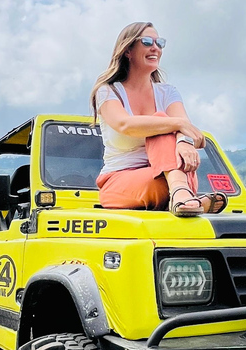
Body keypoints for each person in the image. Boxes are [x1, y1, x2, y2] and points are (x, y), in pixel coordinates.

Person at [89, 22, 227, 216]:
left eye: (159, 43)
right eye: (146, 42)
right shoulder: (108, 91)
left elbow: (186, 129)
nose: (155, 48)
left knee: (165, 133)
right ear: (128, 50)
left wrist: (185, 142)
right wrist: (178, 125)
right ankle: (182, 196)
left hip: (176, 177)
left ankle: (180, 195)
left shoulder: (167, 92)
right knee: (161, 121)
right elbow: (125, 125)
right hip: (120, 181)